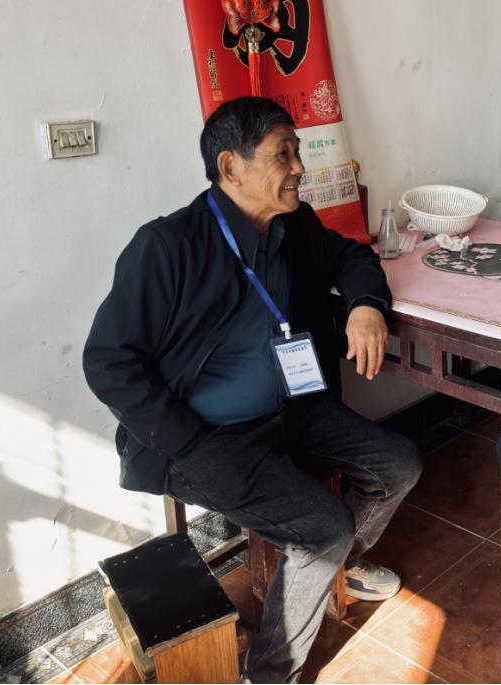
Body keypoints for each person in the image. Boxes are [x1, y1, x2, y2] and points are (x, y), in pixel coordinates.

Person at [83, 97, 422, 683]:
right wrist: (186, 442)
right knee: (325, 526)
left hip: (293, 408)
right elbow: (108, 361)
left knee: (399, 463)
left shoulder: (294, 224)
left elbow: (351, 256)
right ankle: (268, 673)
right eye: (281, 154)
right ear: (230, 167)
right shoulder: (168, 246)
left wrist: (367, 305)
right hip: (204, 438)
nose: (299, 167)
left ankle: (338, 567)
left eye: (297, 151)